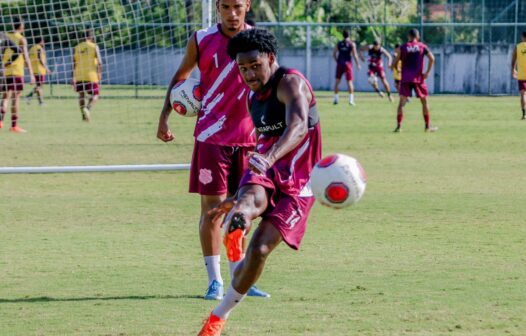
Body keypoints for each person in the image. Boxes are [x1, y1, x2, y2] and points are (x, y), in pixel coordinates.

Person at [198, 28, 322, 336]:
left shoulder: (290, 83)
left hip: (300, 181)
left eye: (255, 65)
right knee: (248, 204)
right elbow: (265, 144)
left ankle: (219, 314)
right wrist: (240, 195)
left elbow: (298, 128)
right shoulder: (254, 98)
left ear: (271, 58)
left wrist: (269, 158)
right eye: (243, 68)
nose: (250, 73)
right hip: (265, 168)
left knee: (260, 250)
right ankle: (239, 219)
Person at [156, 0, 268, 300]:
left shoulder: (258, 40)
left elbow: (269, 86)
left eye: (238, 6)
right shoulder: (201, 39)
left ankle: (240, 277)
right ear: (218, 7)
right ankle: (215, 281)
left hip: (247, 139)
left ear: (248, 5)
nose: (232, 13)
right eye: (226, 6)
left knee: (243, 210)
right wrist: (164, 116)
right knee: (213, 210)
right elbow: (180, 77)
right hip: (211, 138)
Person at [390, 29, 437, 133]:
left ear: (409, 36)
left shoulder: (403, 47)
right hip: (418, 78)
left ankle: (399, 126)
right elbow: (432, 58)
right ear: (418, 36)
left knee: (401, 103)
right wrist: (427, 72)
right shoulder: (422, 46)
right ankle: (427, 126)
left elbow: (396, 61)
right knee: (424, 102)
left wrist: (393, 66)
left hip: (406, 78)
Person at [0, 18, 35, 133]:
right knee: (16, 98)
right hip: (16, 72)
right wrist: (31, 73)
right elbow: (25, 56)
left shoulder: (5, 36)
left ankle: (0, 122)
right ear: (21, 26)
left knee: (5, 97)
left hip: (5, 71)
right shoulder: (21, 39)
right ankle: (14, 125)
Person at [72, 29, 102, 122]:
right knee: (95, 95)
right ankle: (87, 109)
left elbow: (73, 63)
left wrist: (72, 77)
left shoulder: (76, 47)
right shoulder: (94, 46)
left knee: (81, 95)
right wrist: (100, 73)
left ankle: (84, 117)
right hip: (91, 75)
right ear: (91, 37)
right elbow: (100, 62)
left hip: (79, 75)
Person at [333, 29, 361, 105]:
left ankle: (336, 99)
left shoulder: (339, 43)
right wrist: (358, 64)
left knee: (337, 82)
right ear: (349, 35)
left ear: (343, 35)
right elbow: (355, 55)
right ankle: (351, 100)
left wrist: (337, 61)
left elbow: (334, 54)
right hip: (347, 64)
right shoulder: (352, 44)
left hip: (340, 64)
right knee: (349, 82)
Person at [26, 36, 52, 106]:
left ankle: (35, 99)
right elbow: (40, 59)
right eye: (43, 41)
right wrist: (47, 69)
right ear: (41, 41)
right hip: (40, 70)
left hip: (34, 70)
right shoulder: (39, 48)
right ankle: (36, 100)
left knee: (39, 86)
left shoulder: (31, 48)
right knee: (39, 86)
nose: (44, 43)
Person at [511, 31, 526, 120]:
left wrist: (513, 70)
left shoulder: (518, 47)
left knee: (523, 94)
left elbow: (513, 60)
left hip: (522, 76)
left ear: (523, 37)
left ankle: (524, 114)